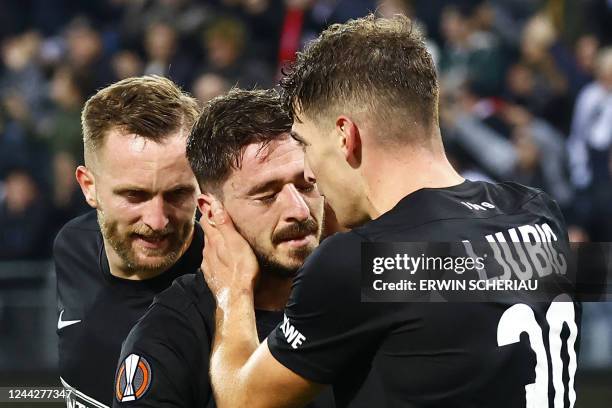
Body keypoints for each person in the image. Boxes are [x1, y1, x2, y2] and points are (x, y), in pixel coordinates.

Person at [199, 15, 579, 407]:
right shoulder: (540, 214)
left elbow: (243, 398)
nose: (311, 170)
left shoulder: (360, 263)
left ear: (346, 137)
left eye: (307, 145)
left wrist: (232, 289)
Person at [112, 88, 335, 408]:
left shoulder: (357, 277)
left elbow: (432, 269)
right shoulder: (168, 335)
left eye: (305, 185)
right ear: (212, 210)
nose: (299, 210)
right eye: (267, 194)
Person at [55, 75, 202, 408]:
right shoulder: (71, 246)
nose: (157, 220)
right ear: (89, 187)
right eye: (135, 195)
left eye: (178, 193)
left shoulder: (230, 285)